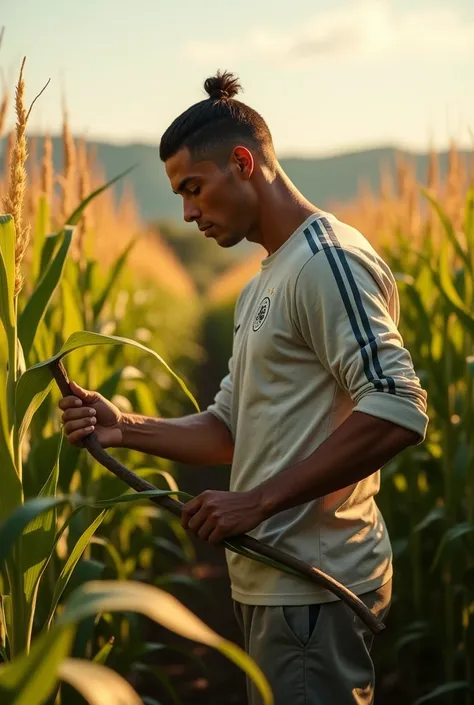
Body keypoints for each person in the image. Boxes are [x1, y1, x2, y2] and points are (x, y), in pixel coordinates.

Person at [58, 70, 429, 705]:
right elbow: (231, 427)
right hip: (276, 584)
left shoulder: (325, 261)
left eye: (194, 189)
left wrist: (257, 502)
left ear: (243, 161)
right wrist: (126, 428)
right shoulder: (265, 280)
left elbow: (399, 406)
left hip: (314, 583)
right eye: (179, 195)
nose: (187, 212)